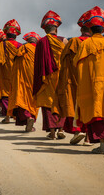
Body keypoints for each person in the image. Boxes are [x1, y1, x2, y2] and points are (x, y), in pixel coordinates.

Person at [73, 6, 104, 154]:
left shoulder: (85, 44)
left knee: (97, 114)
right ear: (103, 30)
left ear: (90, 30)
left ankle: (102, 146)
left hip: (92, 86)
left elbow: (76, 63)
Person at [52, 11, 92, 145]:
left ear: (81, 29)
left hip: (74, 80)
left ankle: (77, 131)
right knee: (89, 106)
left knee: (74, 105)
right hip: (90, 80)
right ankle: (87, 138)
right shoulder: (95, 43)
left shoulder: (73, 42)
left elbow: (63, 61)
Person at [33, 10, 68, 139]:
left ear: (45, 30)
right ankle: (61, 130)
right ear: (56, 29)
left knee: (48, 103)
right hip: (61, 76)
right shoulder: (64, 41)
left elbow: (38, 63)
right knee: (61, 101)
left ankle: (52, 132)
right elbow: (69, 59)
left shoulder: (41, 42)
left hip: (47, 77)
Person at [7, 32, 41, 132]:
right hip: (36, 77)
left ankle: (28, 118)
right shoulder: (39, 49)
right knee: (33, 98)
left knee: (22, 98)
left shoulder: (24, 47)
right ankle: (31, 119)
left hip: (23, 77)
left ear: (28, 41)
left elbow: (16, 59)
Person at [0, 19, 22, 123]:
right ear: (16, 35)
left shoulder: (1, 45)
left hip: (4, 72)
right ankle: (16, 116)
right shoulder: (20, 46)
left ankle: (8, 117)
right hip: (17, 72)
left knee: (5, 95)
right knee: (16, 94)